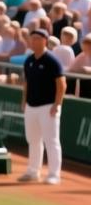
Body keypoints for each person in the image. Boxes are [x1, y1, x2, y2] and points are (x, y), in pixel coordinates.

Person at [19, 27, 65, 185]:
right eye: (32, 38)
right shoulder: (29, 60)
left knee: (51, 141)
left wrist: (57, 104)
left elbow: (61, 84)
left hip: (48, 106)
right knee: (33, 140)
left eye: (37, 39)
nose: (34, 41)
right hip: (31, 106)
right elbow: (27, 83)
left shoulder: (52, 61)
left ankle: (54, 174)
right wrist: (24, 101)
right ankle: (33, 171)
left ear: (45, 41)